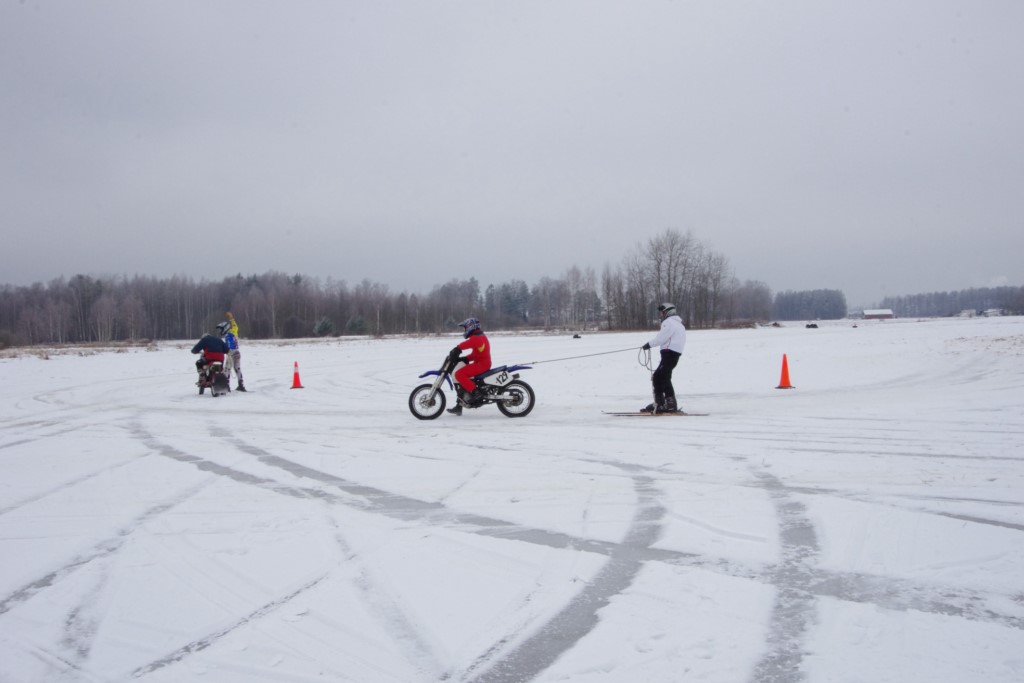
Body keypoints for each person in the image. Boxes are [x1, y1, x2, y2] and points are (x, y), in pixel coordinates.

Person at [640, 303, 686, 413]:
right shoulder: (679, 324)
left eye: (662, 312)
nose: (660, 315)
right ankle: (661, 403)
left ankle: (668, 404)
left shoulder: (668, 322)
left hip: (669, 353)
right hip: (674, 354)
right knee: (662, 376)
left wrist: (648, 345)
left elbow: (661, 338)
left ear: (667, 312)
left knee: (660, 377)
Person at [446, 317, 492, 416]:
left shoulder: (477, 338)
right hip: (481, 363)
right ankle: (459, 406)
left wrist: (457, 348)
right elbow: (476, 354)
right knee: (462, 378)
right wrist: (465, 359)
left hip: (482, 365)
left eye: (466, 327)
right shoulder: (479, 336)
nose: (465, 330)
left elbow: (469, 343)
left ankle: (476, 393)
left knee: (459, 374)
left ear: (471, 326)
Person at [223, 311, 246, 391]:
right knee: (238, 369)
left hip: (230, 353)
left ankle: (226, 386)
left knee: (227, 369)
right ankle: (241, 385)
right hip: (237, 352)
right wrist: (231, 319)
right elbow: (235, 326)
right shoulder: (234, 331)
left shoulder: (226, 335)